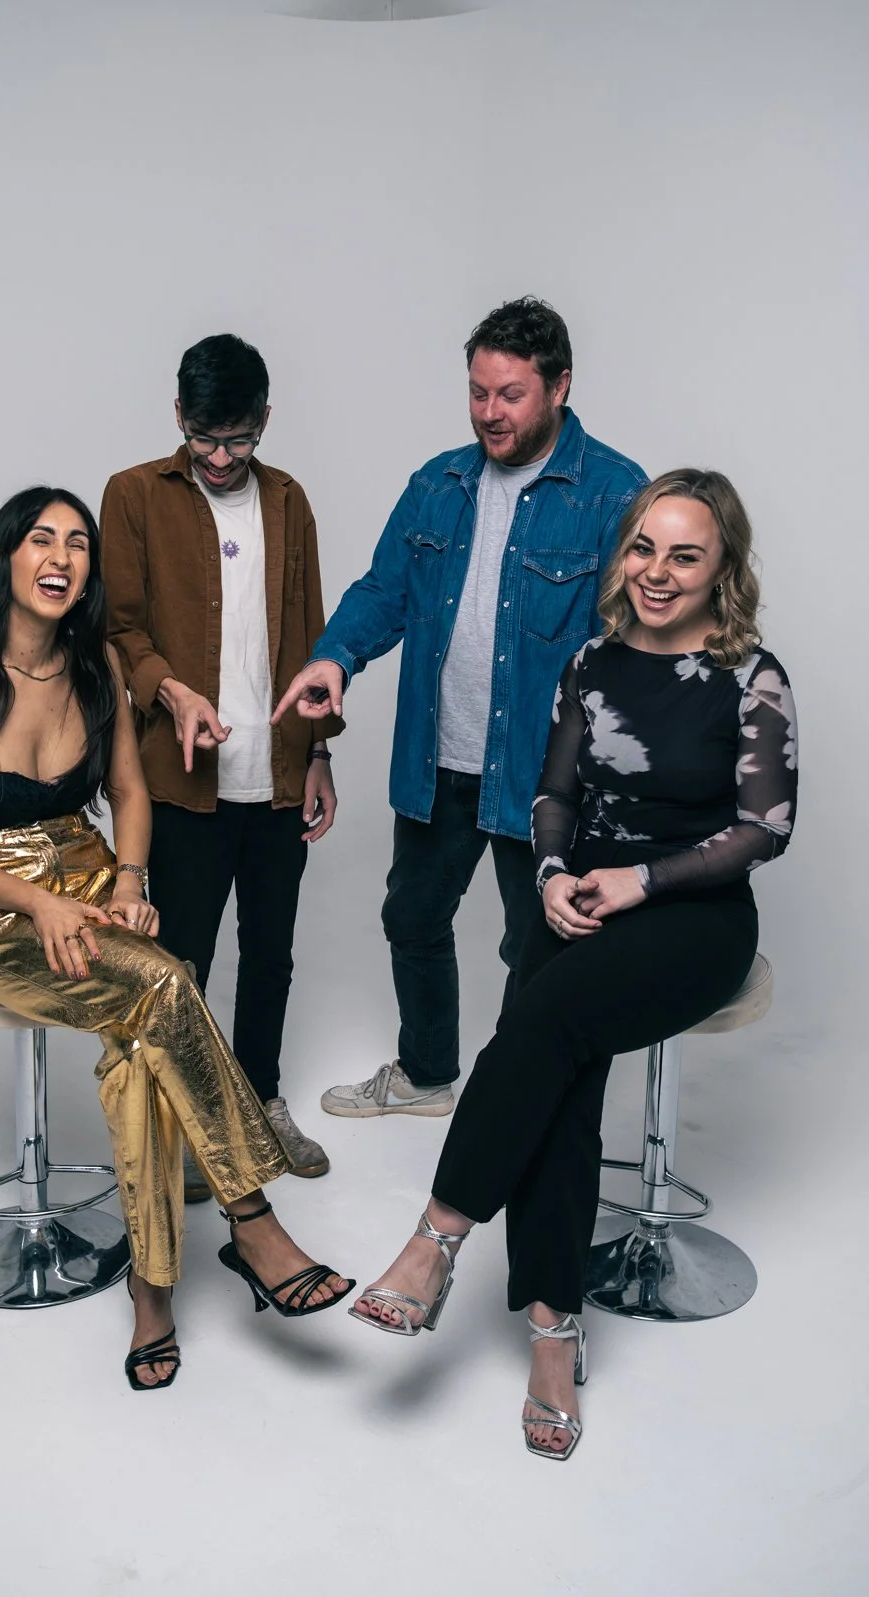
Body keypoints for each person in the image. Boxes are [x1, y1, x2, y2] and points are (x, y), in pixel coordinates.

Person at [343, 468, 797, 1459]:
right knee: (555, 1077)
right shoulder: (589, 662)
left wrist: (640, 883)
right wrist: (549, 873)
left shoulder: (747, 675)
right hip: (580, 897)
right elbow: (549, 794)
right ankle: (554, 1329)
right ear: (620, 551)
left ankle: (435, 1239)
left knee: (537, 1029)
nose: (656, 571)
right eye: (642, 547)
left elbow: (763, 826)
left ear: (721, 569)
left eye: (685, 554)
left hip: (691, 915)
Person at [0, 486, 353, 1392]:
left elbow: (132, 794)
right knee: (166, 986)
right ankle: (251, 1224)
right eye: (41, 540)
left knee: (146, 1036)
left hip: (91, 871)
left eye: (77, 544)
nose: (61, 557)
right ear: (7, 558)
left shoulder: (99, 663)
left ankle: (154, 1290)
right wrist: (39, 907)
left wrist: (131, 884)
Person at [272, 298, 648, 1117]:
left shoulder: (615, 495)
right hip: (440, 756)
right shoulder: (438, 483)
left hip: (542, 774)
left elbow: (629, 653)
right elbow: (383, 590)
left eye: (509, 394)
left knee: (534, 945)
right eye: (477, 392)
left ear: (559, 387)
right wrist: (335, 658)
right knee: (411, 914)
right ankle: (427, 1074)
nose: (488, 412)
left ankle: (516, 1100)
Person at [101, 334, 341, 1197]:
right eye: (204, 437)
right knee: (185, 958)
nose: (219, 457)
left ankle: (262, 1100)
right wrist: (171, 694)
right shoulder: (133, 496)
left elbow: (313, 632)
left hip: (274, 776)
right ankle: (199, 1118)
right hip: (180, 779)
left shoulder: (289, 500)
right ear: (178, 418)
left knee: (269, 953)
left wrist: (317, 757)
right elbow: (118, 627)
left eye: (238, 439)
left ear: (264, 422)